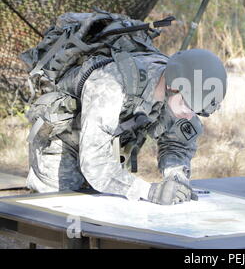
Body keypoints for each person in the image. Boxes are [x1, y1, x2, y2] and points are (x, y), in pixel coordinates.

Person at [23, 12, 227, 205]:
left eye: (197, 111)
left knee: (100, 213)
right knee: (56, 213)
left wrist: (176, 176)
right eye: (188, 105)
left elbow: (178, 145)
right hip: (64, 142)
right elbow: (94, 163)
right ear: (172, 85)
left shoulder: (184, 95)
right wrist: (149, 192)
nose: (189, 114)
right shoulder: (111, 84)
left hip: (107, 145)